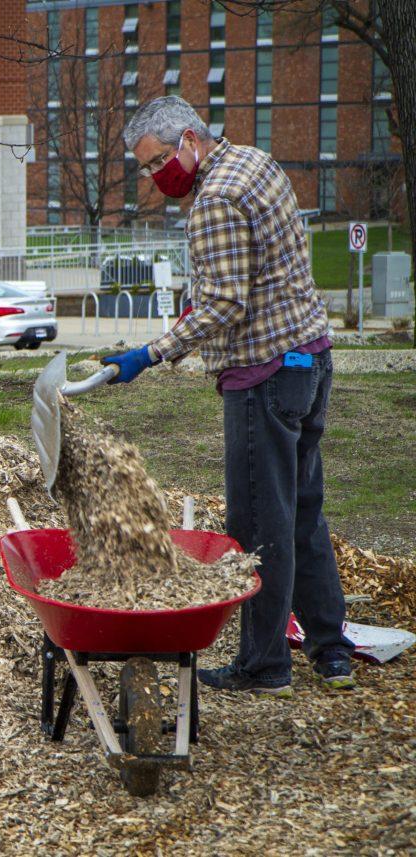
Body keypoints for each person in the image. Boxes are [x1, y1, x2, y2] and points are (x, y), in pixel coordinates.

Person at [104, 96, 354, 697]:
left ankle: (264, 666)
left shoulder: (212, 200)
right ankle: (332, 649)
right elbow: (250, 274)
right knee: (302, 511)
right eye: (145, 167)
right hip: (311, 363)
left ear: (191, 138)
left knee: (259, 527)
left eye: (159, 160)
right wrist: (191, 316)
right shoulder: (254, 162)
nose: (155, 175)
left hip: (262, 379)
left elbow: (225, 304)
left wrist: (150, 353)